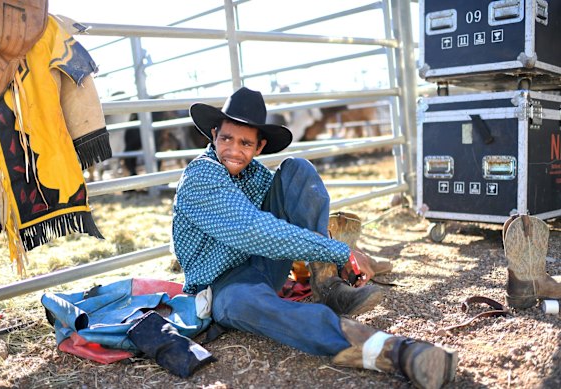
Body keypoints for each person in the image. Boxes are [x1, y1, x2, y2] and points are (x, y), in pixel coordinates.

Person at [171, 87, 457, 388]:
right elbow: (254, 231)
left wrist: (344, 254)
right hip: (223, 285)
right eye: (226, 138)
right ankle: (394, 351)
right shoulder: (201, 175)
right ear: (213, 134)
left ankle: (327, 284)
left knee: (297, 170)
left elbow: (298, 211)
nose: (233, 149)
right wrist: (338, 250)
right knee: (247, 304)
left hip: (263, 265)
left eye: (245, 142)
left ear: (259, 146)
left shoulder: (254, 173)